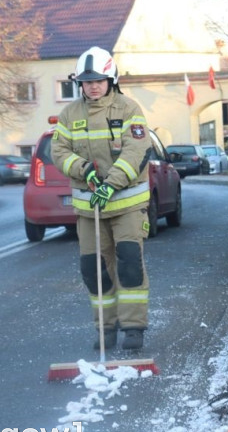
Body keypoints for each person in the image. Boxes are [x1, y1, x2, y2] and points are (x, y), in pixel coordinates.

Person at [51, 47, 153, 351]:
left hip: (128, 205)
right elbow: (59, 151)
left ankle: (133, 328)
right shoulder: (70, 114)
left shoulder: (129, 109)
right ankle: (105, 328)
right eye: (87, 81)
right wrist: (83, 170)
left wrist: (110, 184)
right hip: (88, 210)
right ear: (79, 83)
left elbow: (137, 152)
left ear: (112, 79)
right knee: (93, 270)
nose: (93, 86)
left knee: (129, 264)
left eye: (99, 80)